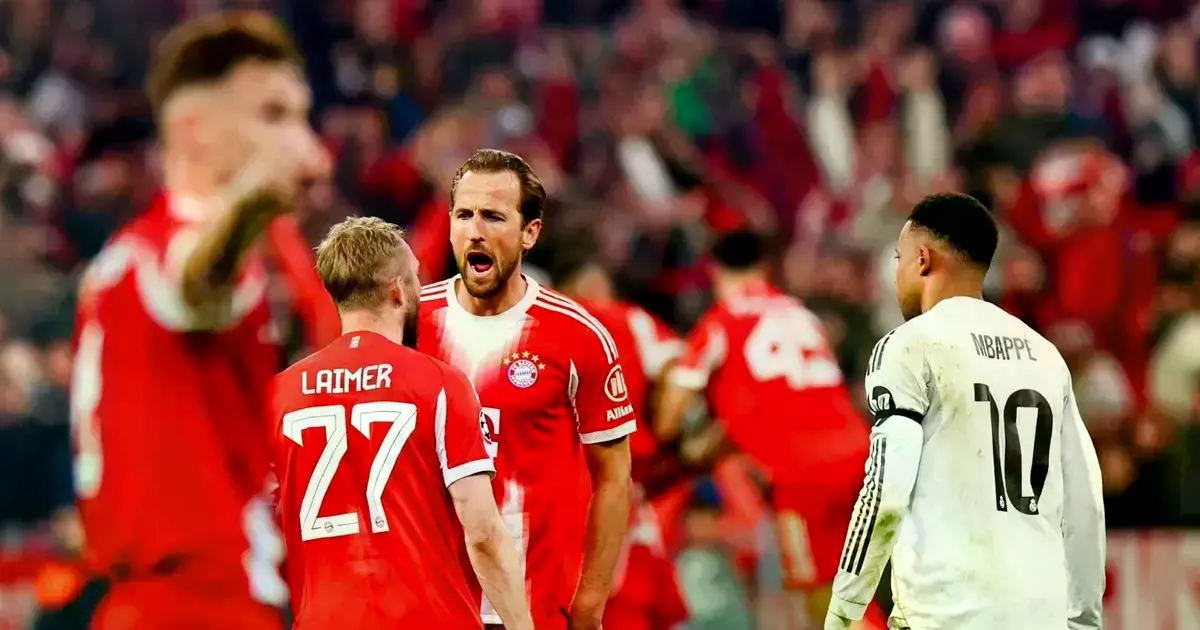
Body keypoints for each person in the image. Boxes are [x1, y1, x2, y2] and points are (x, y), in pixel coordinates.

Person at [70, 11, 330, 630]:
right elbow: (197, 281)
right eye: (273, 116)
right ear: (193, 130)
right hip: (203, 602)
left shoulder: (122, 257)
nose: (310, 151)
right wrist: (248, 204)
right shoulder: (179, 252)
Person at [824, 193, 1106, 630]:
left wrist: (843, 613)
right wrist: (1084, 619)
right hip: (1040, 616)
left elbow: (885, 491)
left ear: (922, 259)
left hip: (945, 614)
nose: (896, 275)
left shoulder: (909, 345)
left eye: (899, 258)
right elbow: (1085, 502)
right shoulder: (1046, 356)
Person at [271, 217, 533, 629]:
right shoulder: (441, 383)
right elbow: (482, 531)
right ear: (397, 289)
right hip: (427, 617)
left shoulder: (279, 395)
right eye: (415, 278)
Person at [417, 149, 634, 630]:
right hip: (430, 602)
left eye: (493, 216)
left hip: (532, 606)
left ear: (529, 232)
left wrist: (591, 602)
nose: (475, 230)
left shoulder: (577, 334)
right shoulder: (410, 321)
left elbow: (614, 478)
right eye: (464, 215)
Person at [658, 229, 884, 630]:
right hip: (860, 454)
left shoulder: (721, 322)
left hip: (803, 473)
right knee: (855, 586)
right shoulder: (801, 313)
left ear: (714, 271)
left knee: (823, 596)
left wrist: (680, 444)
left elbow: (672, 411)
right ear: (763, 267)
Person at [557, 261, 689, 630]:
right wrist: (667, 429)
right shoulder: (629, 318)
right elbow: (680, 369)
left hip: (553, 480)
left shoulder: (537, 323)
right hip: (618, 474)